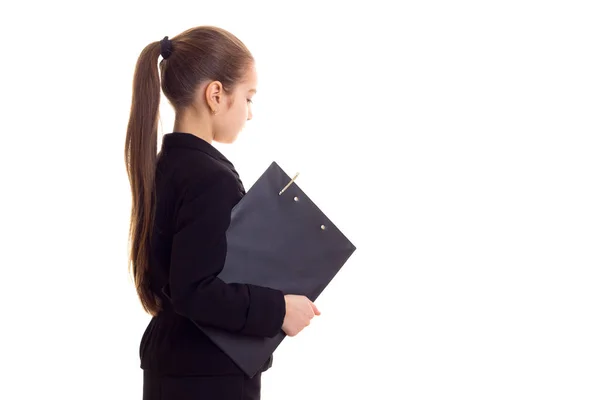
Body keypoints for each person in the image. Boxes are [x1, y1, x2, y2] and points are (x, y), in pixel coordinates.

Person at [124, 26, 321, 400]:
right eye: (248, 97)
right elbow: (194, 290)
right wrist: (278, 309)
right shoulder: (210, 179)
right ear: (216, 94)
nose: (249, 114)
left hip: (175, 366)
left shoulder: (166, 166)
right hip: (208, 375)